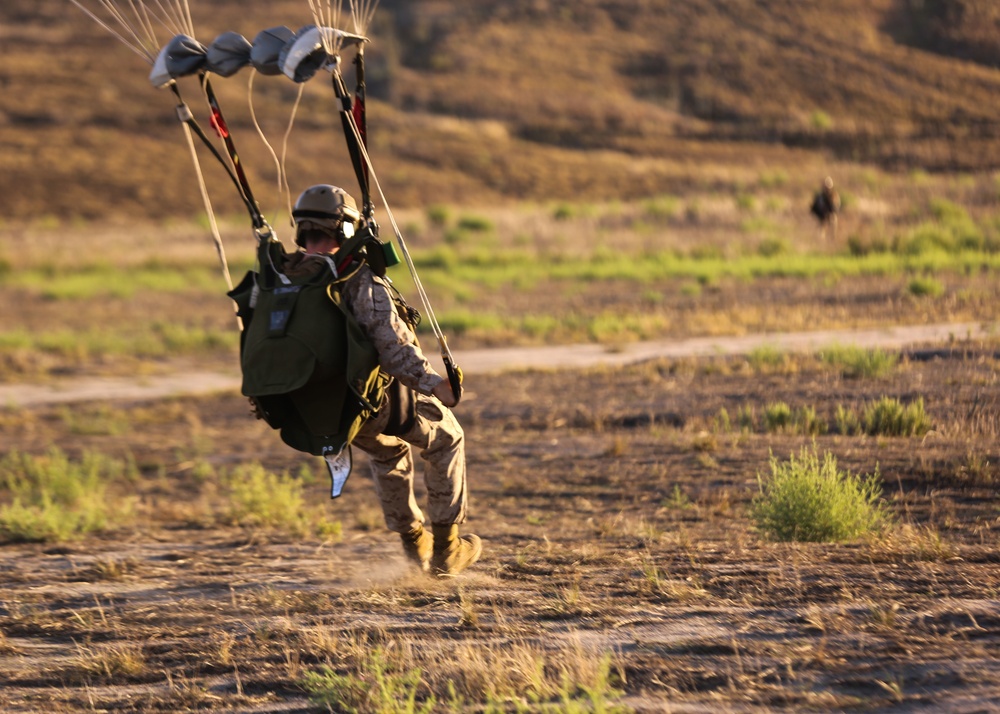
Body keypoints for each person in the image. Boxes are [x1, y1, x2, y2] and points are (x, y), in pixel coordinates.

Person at [254, 184, 481, 577]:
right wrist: (434, 385)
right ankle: (446, 547)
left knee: (388, 453)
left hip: (330, 413)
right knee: (447, 438)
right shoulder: (356, 281)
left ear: (301, 230)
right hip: (374, 401)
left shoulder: (280, 279)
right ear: (345, 228)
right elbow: (393, 349)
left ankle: (414, 544)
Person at [810, 176, 841, 241]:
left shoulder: (834, 195)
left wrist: (832, 211)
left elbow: (836, 206)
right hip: (822, 215)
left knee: (834, 221)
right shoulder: (820, 196)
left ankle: (833, 239)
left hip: (831, 214)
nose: (827, 189)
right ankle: (821, 241)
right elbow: (815, 207)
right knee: (822, 227)